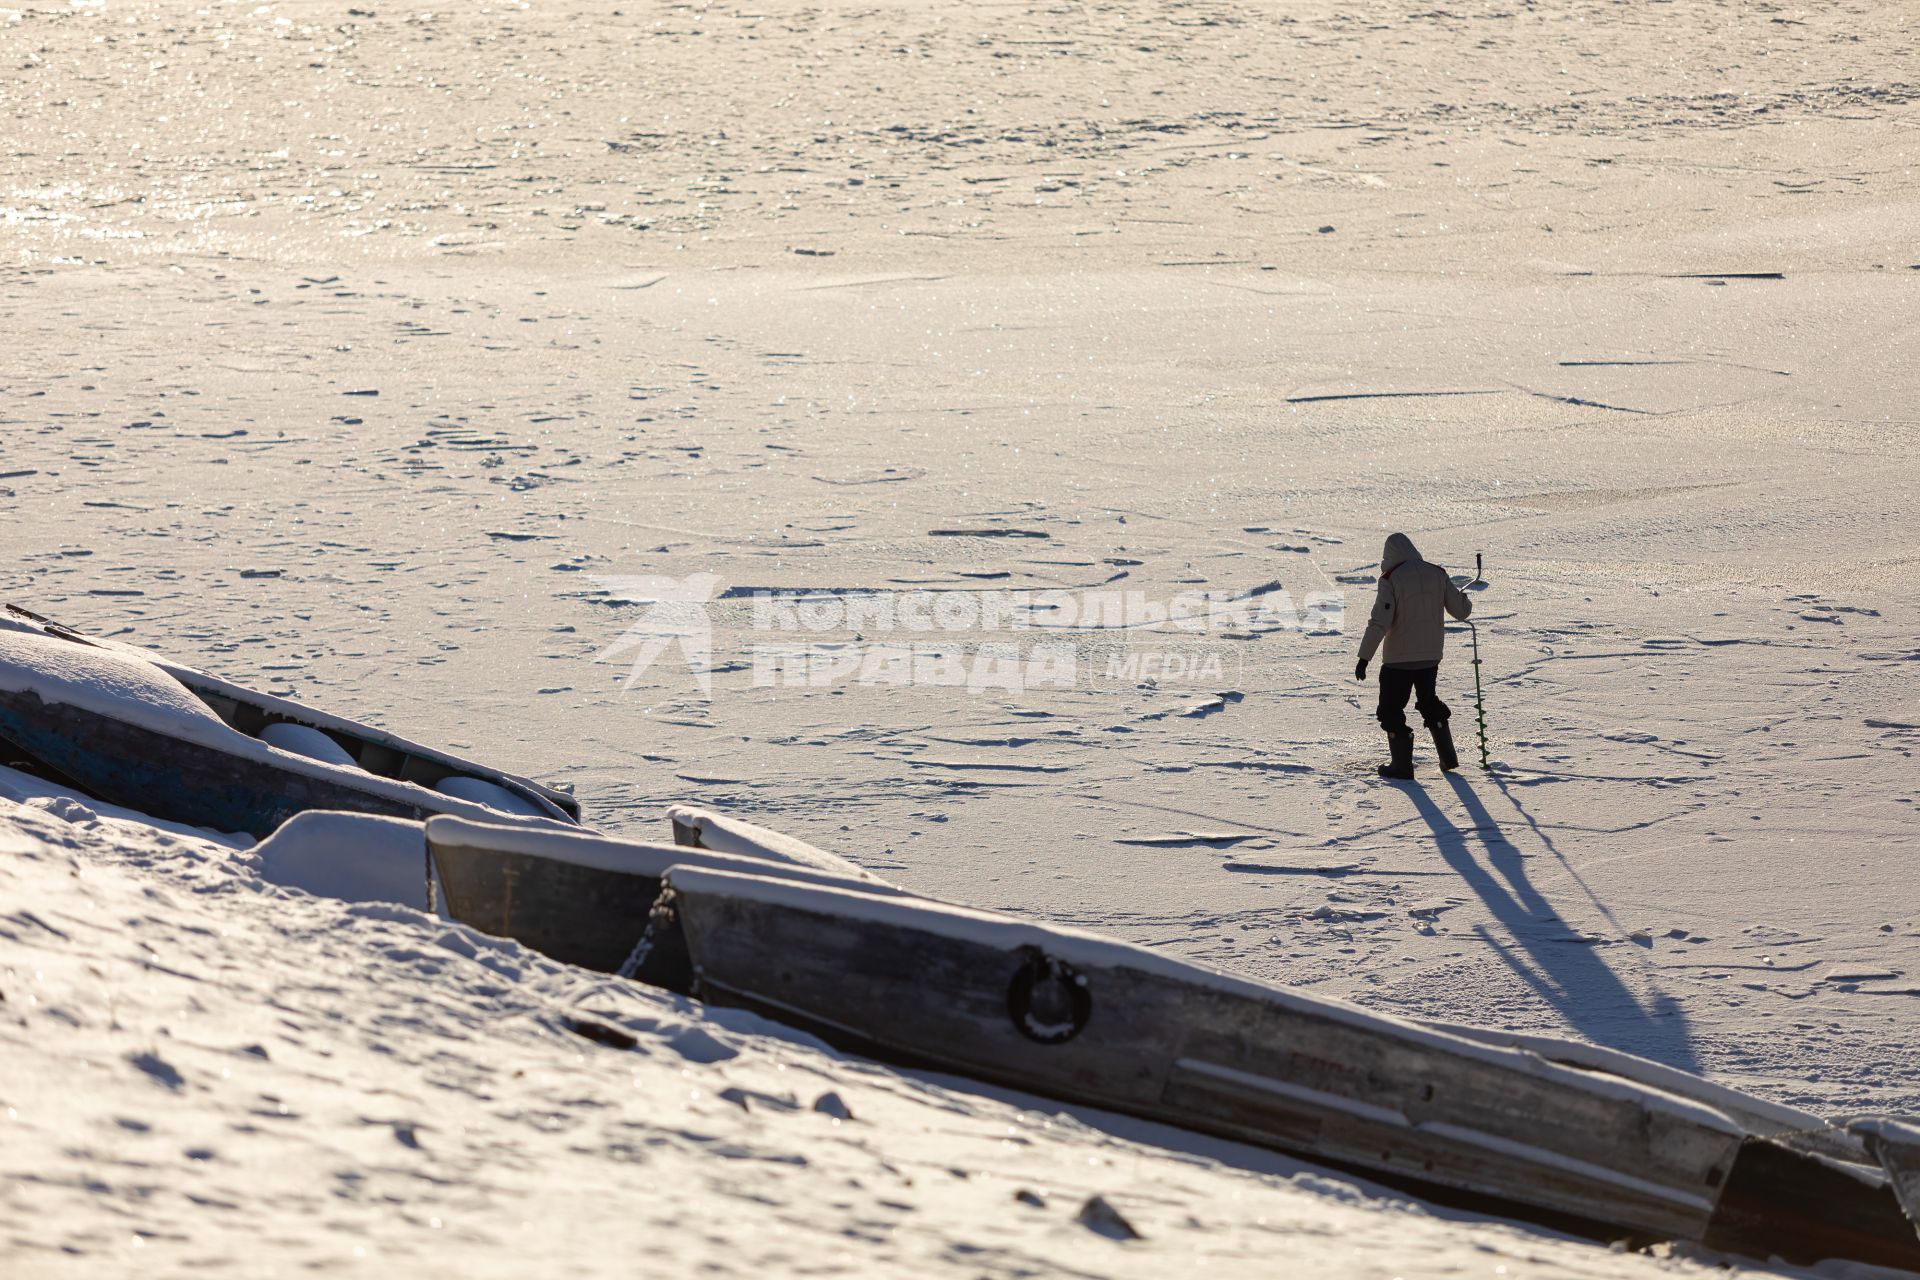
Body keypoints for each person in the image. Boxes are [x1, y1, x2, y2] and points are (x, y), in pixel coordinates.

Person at [1353, 532, 1473, 779]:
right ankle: (1448, 757)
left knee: (1390, 709)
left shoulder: (1391, 578)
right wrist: (1463, 598)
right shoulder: (1436, 573)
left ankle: (1402, 766)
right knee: (1428, 700)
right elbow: (1461, 611)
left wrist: (1364, 658)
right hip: (1430, 657)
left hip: (1398, 661)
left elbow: (1380, 622)